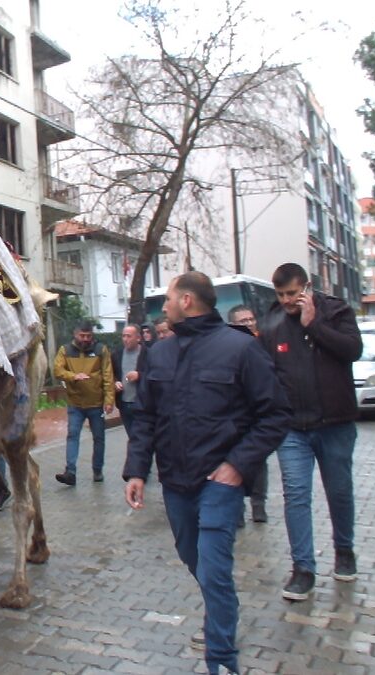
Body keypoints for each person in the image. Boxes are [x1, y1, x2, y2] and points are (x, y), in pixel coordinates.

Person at [123, 272, 290, 675]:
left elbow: (276, 414)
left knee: (215, 569)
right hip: (175, 483)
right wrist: (137, 471)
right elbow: (144, 417)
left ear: (186, 300)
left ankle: (221, 660)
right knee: (193, 558)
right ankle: (222, 610)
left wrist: (237, 465)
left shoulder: (240, 349)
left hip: (220, 481)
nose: (162, 308)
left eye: (167, 300)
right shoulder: (159, 354)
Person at [258, 263, 363, 602]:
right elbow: (264, 371)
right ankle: (303, 569)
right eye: (281, 294)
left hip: (335, 423)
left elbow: (352, 351)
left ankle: (344, 550)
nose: (287, 300)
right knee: (296, 495)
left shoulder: (336, 311)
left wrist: (313, 324)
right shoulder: (271, 321)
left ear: (307, 286)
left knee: (339, 491)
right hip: (292, 429)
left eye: (293, 293)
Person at [52, 323, 114, 485]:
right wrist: (73, 376)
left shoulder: (101, 350)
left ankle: (97, 469)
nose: (85, 339)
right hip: (75, 404)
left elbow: (108, 376)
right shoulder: (65, 350)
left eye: (88, 336)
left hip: (96, 403)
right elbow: (57, 370)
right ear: (75, 334)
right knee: (72, 436)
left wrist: (109, 400)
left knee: (99, 438)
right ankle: (70, 471)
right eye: (82, 336)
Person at [227, 305, 269, 525]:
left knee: (259, 461)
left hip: (258, 413)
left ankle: (258, 505)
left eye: (251, 319)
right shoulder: (228, 348)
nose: (249, 323)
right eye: (243, 321)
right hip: (236, 415)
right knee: (235, 461)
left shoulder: (264, 343)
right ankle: (238, 509)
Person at [114, 325, 147, 441]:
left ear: (138, 338)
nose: (125, 339)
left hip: (141, 403)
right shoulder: (117, 353)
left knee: (142, 438)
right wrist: (115, 382)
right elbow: (111, 373)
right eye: (123, 336)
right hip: (124, 403)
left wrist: (140, 375)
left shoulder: (147, 353)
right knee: (132, 437)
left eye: (129, 336)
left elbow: (154, 374)